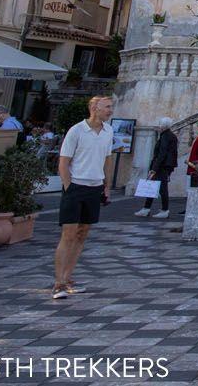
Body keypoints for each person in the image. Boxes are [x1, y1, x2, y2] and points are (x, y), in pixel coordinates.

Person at [53, 95, 116, 300]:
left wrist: (107, 186)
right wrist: (68, 185)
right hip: (76, 186)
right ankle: (58, 282)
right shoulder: (77, 131)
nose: (110, 110)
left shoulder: (108, 131)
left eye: (111, 107)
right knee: (68, 233)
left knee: (82, 234)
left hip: (94, 186)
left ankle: (68, 278)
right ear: (94, 108)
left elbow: (107, 160)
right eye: (107, 107)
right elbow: (64, 162)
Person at [136, 117, 178, 219]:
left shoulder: (165, 137)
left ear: (163, 126)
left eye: (159, 124)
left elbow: (162, 154)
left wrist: (154, 168)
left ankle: (164, 210)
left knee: (162, 189)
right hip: (165, 165)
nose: (158, 126)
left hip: (162, 166)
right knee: (152, 186)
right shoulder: (169, 136)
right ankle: (146, 208)